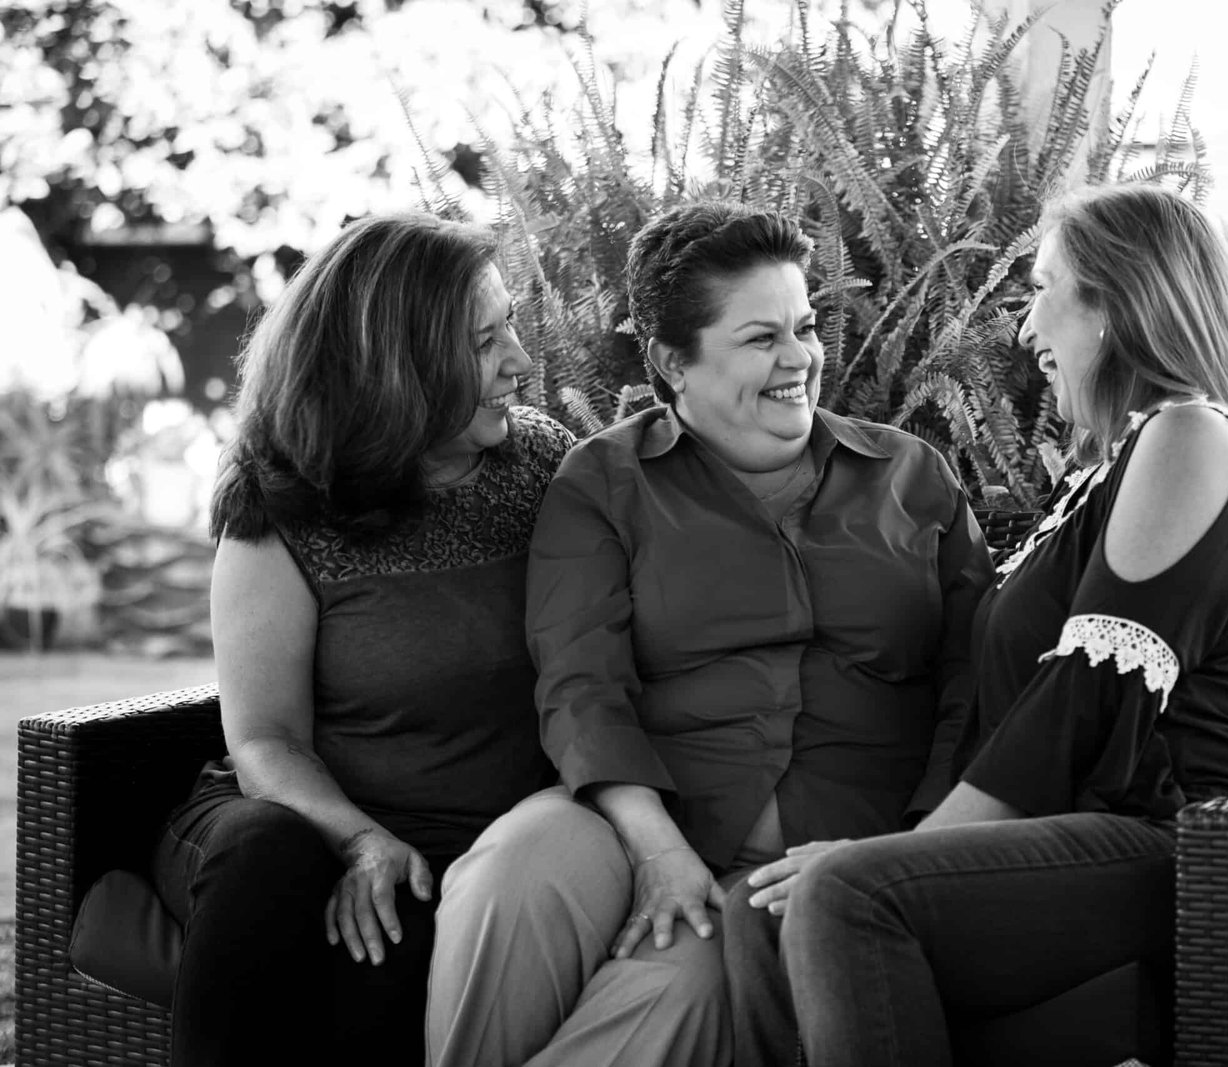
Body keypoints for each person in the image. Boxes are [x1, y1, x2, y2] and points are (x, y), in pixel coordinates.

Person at [423, 200, 996, 1067]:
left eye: (805, 327)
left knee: (677, 988)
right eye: (762, 338)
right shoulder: (603, 482)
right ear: (670, 360)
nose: (800, 358)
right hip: (643, 821)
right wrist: (660, 852)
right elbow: (582, 686)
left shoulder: (911, 476)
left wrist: (906, 855)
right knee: (511, 868)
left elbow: (974, 687)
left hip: (826, 859)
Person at [779, 182, 1228, 1067]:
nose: (1025, 329)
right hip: (1091, 832)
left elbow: (1087, 699)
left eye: (1041, 289)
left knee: (847, 894)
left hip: (1188, 847)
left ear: (1114, 303)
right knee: (757, 906)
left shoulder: (1191, 436)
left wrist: (901, 854)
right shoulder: (1124, 459)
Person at [148, 211, 574, 1067]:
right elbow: (264, 739)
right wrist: (360, 839)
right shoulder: (282, 506)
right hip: (290, 823)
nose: (522, 363)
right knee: (269, 854)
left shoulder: (544, 466)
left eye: (513, 326)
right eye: (484, 342)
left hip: (470, 850)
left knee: (385, 962)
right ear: (397, 365)